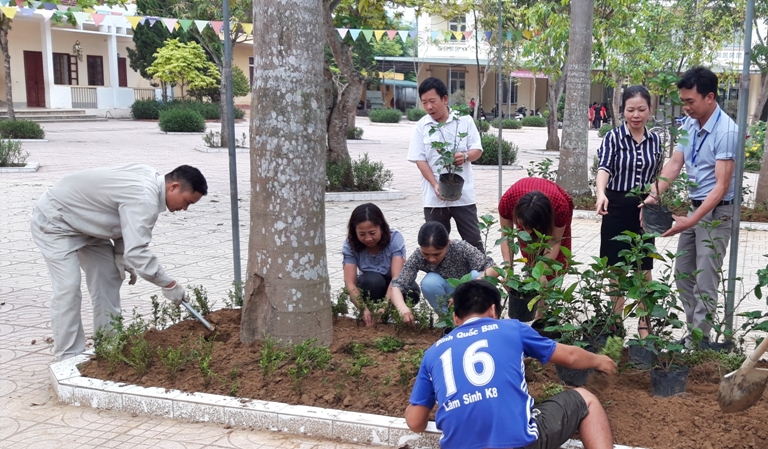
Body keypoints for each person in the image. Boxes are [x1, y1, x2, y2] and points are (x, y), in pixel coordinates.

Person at [405, 280, 616, 449]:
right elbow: (569, 357)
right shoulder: (511, 329)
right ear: (493, 310)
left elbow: (415, 423)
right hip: (519, 444)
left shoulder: (433, 352)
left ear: (455, 318)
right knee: (585, 400)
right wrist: (599, 360)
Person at [30, 164, 207, 361]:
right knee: (68, 288)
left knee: (109, 277)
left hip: (89, 225)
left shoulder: (149, 183)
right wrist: (168, 284)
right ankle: (68, 356)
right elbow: (138, 251)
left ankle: (108, 347)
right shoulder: (144, 197)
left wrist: (121, 256)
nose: (185, 208)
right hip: (56, 221)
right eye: (187, 202)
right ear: (173, 187)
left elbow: (125, 222)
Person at [641, 66, 738, 345]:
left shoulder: (726, 132)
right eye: (683, 101)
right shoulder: (689, 125)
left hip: (717, 213)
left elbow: (721, 187)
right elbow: (675, 163)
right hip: (695, 209)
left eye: (690, 101)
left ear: (709, 97)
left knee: (705, 280)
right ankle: (694, 333)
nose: (686, 107)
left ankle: (699, 342)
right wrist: (652, 197)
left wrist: (692, 220)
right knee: (684, 274)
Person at [596, 85, 662, 338]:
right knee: (616, 269)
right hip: (615, 206)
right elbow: (604, 168)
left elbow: (659, 176)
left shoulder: (656, 141)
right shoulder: (612, 138)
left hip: (644, 208)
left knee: (644, 268)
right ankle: (615, 326)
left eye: (641, 109)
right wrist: (601, 193)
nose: (636, 115)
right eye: (630, 109)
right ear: (622, 111)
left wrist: (654, 197)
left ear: (649, 110)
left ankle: (645, 327)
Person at [408, 77, 485, 252]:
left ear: (444, 99)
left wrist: (465, 156)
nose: (428, 107)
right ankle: (439, 278)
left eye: (432, 101)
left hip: (463, 195)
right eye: (424, 102)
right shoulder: (422, 126)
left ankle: (481, 276)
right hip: (433, 197)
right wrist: (435, 184)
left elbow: (477, 150)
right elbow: (420, 160)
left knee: (473, 241)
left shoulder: (464, 121)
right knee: (434, 244)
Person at [390, 222, 497, 323]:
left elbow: (493, 268)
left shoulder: (461, 248)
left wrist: (465, 290)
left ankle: (475, 318)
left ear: (448, 243)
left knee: (475, 274)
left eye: (437, 254)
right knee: (429, 282)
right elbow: (397, 285)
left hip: (470, 293)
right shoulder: (417, 256)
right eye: (426, 254)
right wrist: (403, 308)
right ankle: (447, 319)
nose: (431, 259)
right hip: (446, 295)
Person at [342, 203, 420, 326]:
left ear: (382, 228)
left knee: (412, 290)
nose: (368, 238)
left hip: (393, 284)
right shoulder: (349, 244)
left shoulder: (395, 238)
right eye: (362, 234)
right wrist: (363, 309)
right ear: (354, 231)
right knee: (373, 281)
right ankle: (372, 312)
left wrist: (385, 305)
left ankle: (392, 314)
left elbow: (396, 278)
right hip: (372, 284)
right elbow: (350, 283)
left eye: (372, 233)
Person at [498, 177, 574, 271]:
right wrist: (508, 269)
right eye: (523, 225)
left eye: (533, 228)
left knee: (554, 267)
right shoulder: (508, 201)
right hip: (519, 199)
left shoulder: (560, 207)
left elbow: (554, 241)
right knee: (530, 254)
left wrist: (541, 272)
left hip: (553, 207)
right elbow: (506, 236)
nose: (528, 232)